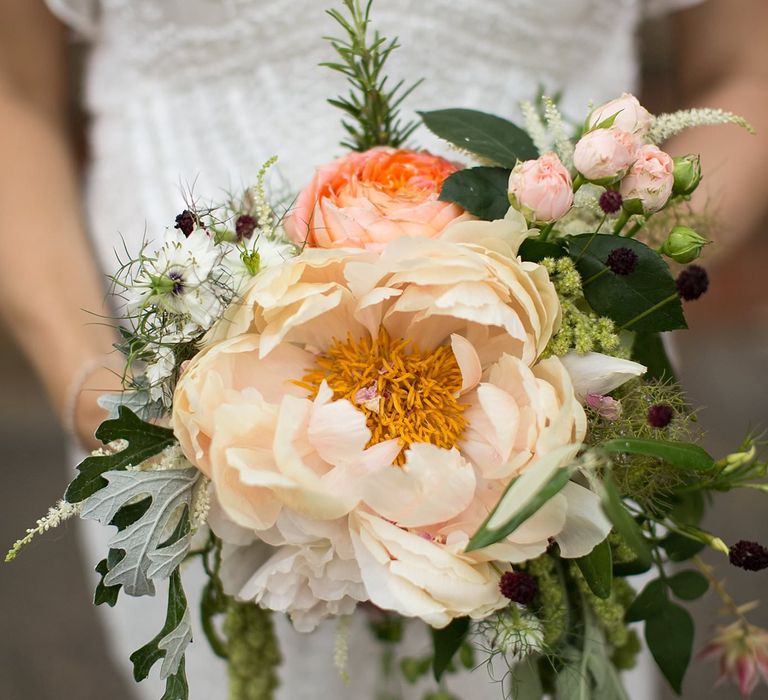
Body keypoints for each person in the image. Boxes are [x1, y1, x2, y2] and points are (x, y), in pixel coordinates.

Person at [1, 1, 766, 698]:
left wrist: (601, 278)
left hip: (543, 415)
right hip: (187, 434)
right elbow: (15, 93)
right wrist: (91, 387)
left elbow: (747, 71)